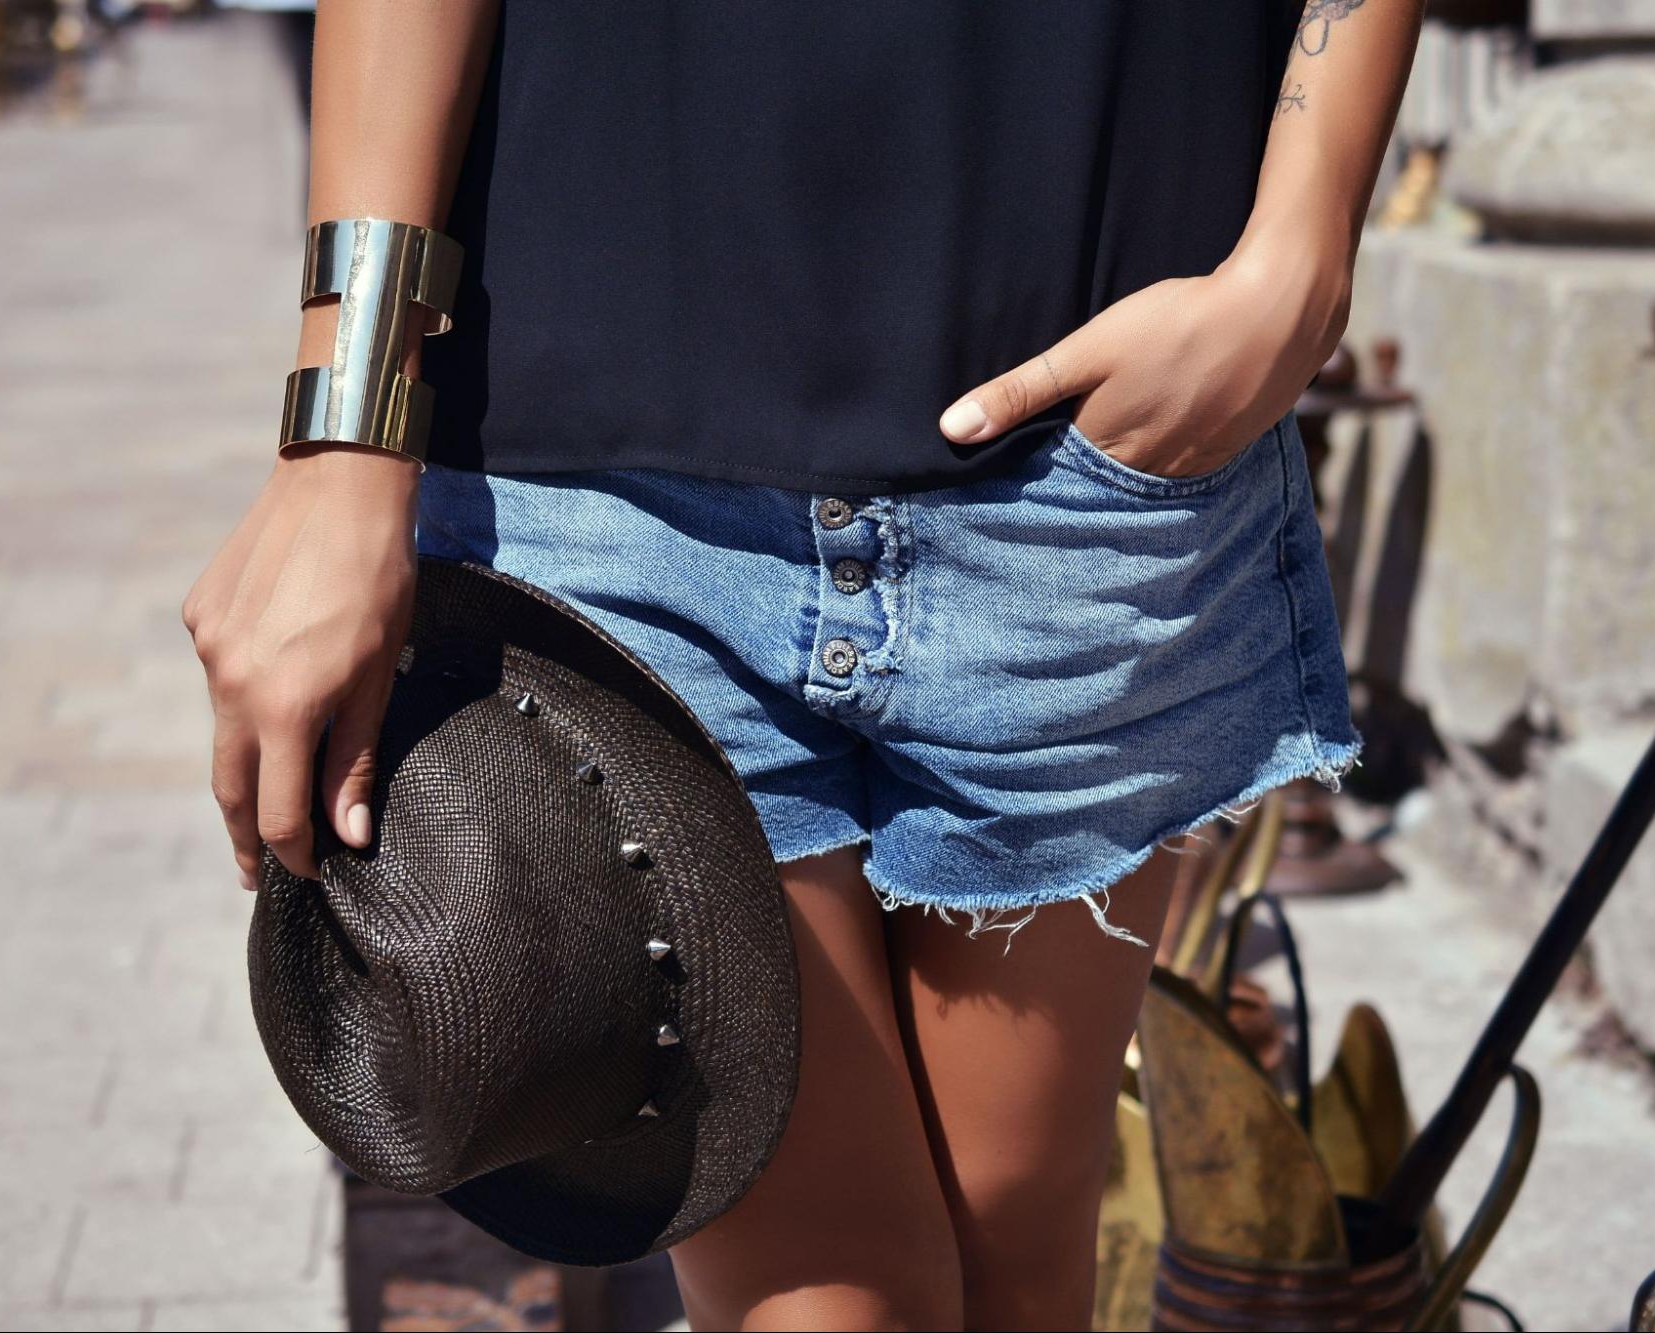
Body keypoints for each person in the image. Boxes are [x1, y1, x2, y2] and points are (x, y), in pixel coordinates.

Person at [182, 3, 1422, 1328]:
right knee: (832, 1297)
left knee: (1018, 1246)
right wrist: (344, 428)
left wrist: (1306, 237)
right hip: (612, 470)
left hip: (1088, 438)